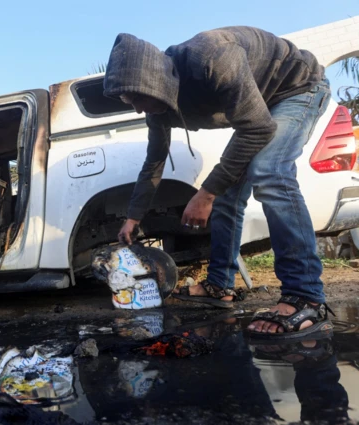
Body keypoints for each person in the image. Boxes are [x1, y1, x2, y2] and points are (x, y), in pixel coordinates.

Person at [103, 26, 334, 339]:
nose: (139, 108)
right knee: (227, 197)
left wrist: (206, 192)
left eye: (139, 97)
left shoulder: (211, 56)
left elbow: (258, 129)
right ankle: (219, 286)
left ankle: (305, 296)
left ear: (156, 80)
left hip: (297, 90)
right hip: (258, 110)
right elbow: (154, 162)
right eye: (129, 101)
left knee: (270, 173)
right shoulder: (157, 108)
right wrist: (132, 218)